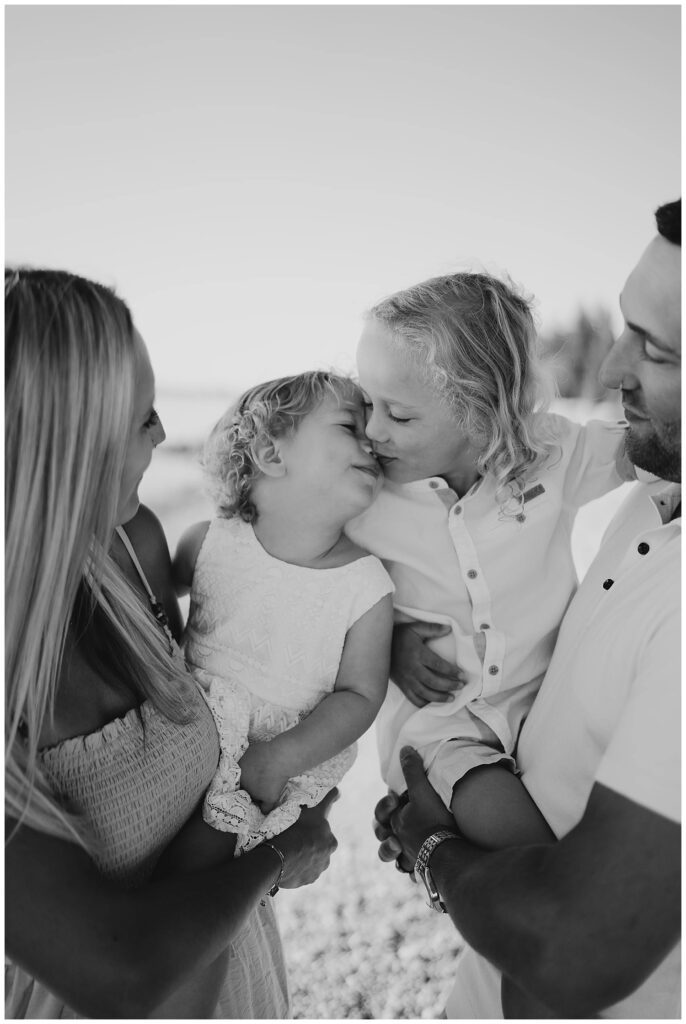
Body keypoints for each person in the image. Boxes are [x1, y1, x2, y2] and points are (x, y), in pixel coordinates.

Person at [374, 198, 681, 1018]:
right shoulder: (656, 493)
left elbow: (578, 946)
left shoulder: (566, 461)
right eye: (624, 329)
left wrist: (430, 847)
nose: (613, 367)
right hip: (453, 742)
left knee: (516, 849)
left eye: (654, 349)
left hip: (584, 985)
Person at [5, 268, 338, 1020]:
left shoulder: (135, 550)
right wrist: (282, 853)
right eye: (140, 416)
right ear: (62, 444)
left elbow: (246, 670)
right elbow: (115, 971)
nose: (162, 433)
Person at [346, 269, 634, 849]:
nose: (372, 429)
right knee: (502, 823)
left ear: (483, 413)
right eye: (366, 402)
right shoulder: (363, 496)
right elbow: (323, 592)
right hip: (441, 731)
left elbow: (647, 449)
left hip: (550, 703)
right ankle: (549, 902)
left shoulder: (551, 454)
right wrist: (387, 641)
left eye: (398, 415)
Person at [172, 372, 394, 853]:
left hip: (272, 774)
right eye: (349, 427)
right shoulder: (208, 543)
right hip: (181, 747)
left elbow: (361, 694)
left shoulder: (366, 585)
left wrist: (279, 759)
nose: (372, 441)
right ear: (272, 455)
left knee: (216, 881)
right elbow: (148, 608)